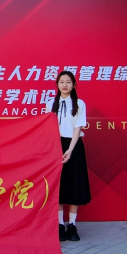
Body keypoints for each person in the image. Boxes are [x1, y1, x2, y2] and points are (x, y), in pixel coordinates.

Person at [45, 70, 91, 242]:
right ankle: (59, 225)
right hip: (55, 147)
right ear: (57, 85)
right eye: (62, 82)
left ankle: (71, 225)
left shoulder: (79, 104)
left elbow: (78, 128)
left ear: (74, 85)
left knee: (74, 185)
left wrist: (70, 150)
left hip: (74, 146)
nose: (65, 85)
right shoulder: (50, 103)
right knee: (59, 185)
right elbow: (48, 129)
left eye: (68, 82)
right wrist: (55, 149)